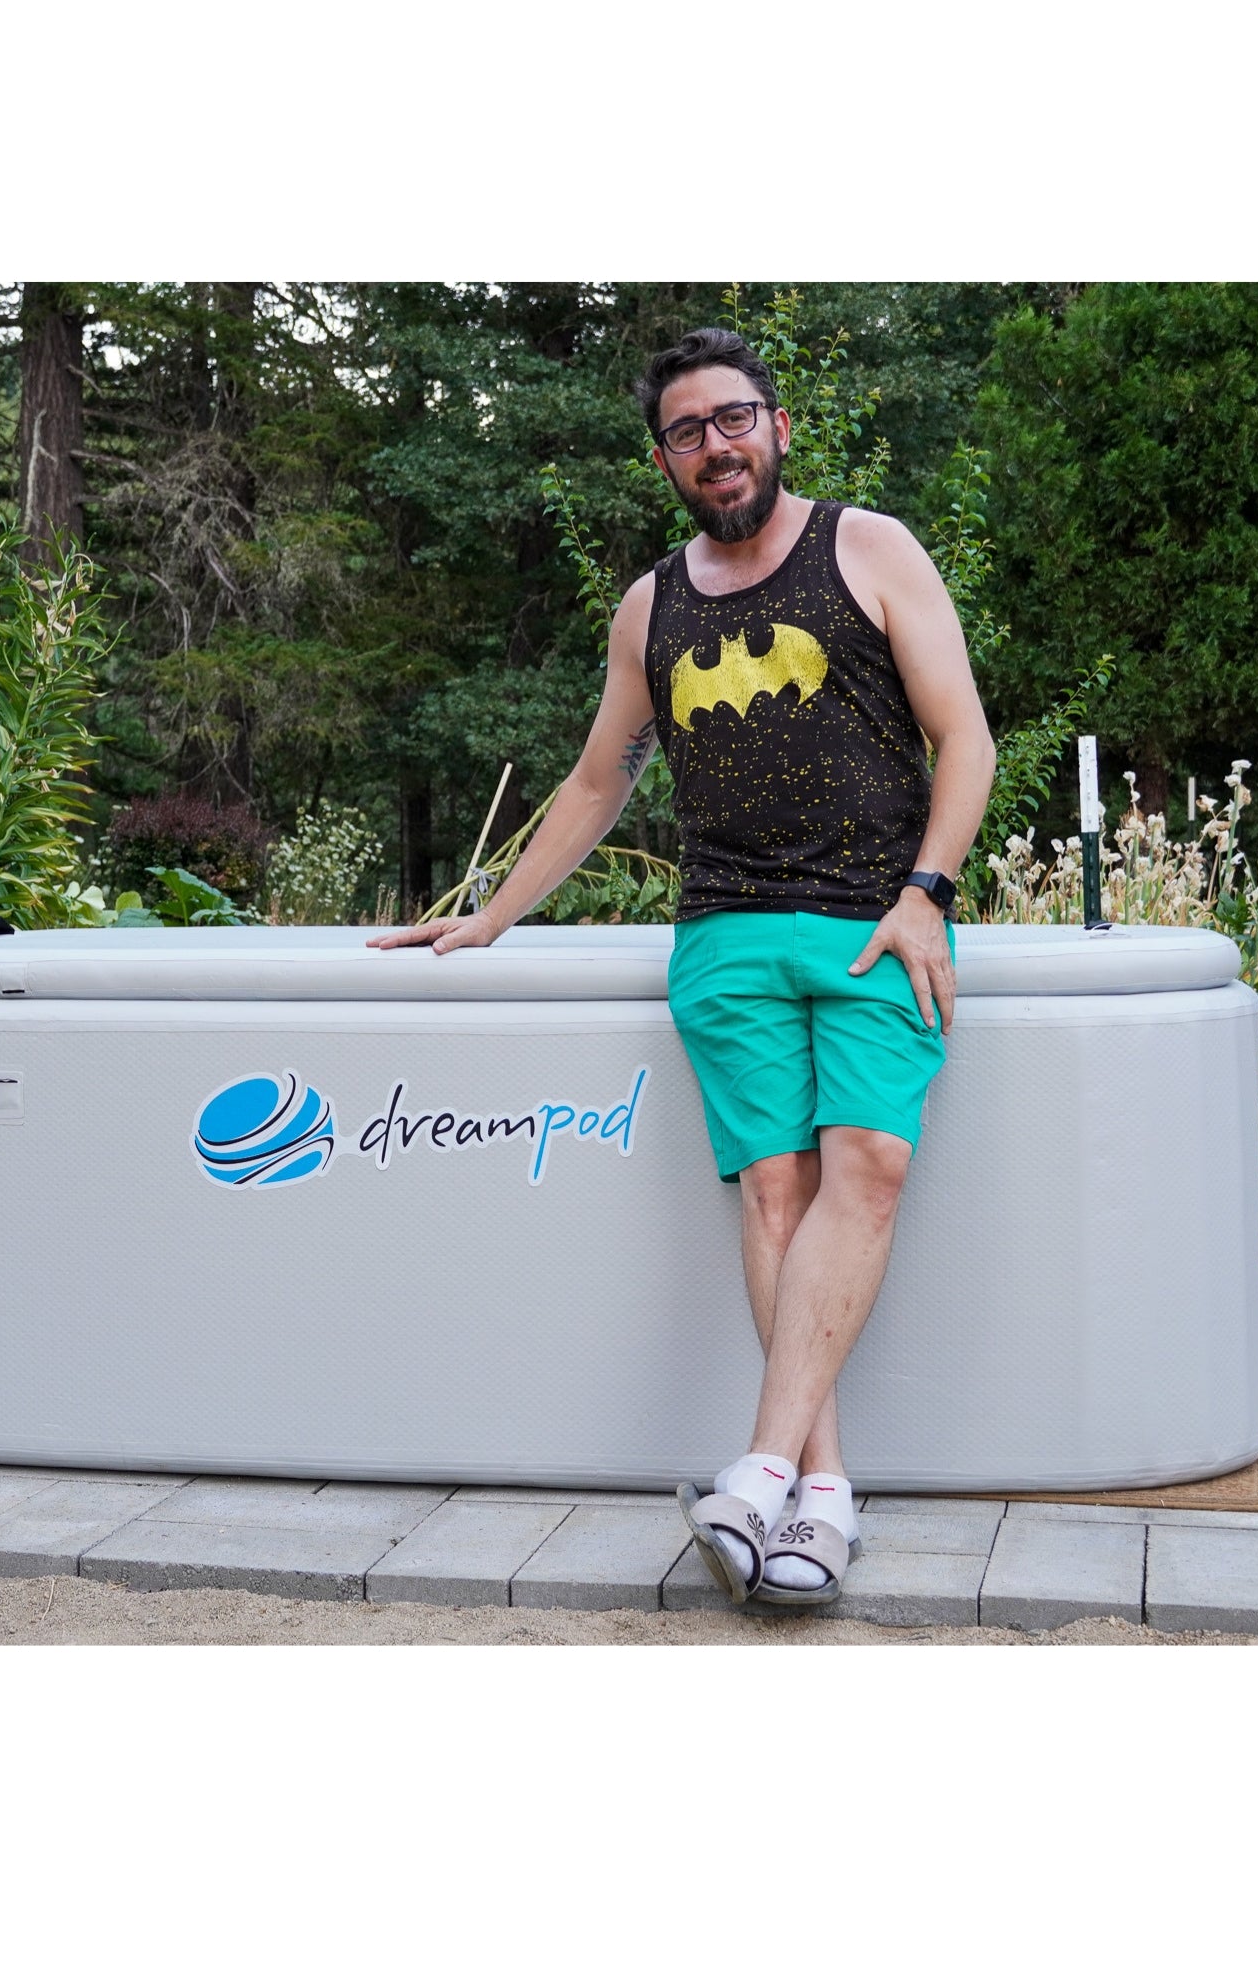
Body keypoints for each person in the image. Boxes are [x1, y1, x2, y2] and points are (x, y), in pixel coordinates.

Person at [371, 327, 995, 1607]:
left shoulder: (868, 548)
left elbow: (963, 737)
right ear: (661, 458)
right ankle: (818, 1500)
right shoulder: (652, 606)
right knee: (774, 1193)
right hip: (722, 935)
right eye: (684, 431)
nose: (714, 445)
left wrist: (928, 891)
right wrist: (490, 917)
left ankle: (757, 1464)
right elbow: (600, 778)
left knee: (865, 1165)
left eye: (732, 418)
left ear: (774, 425)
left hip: (875, 922)